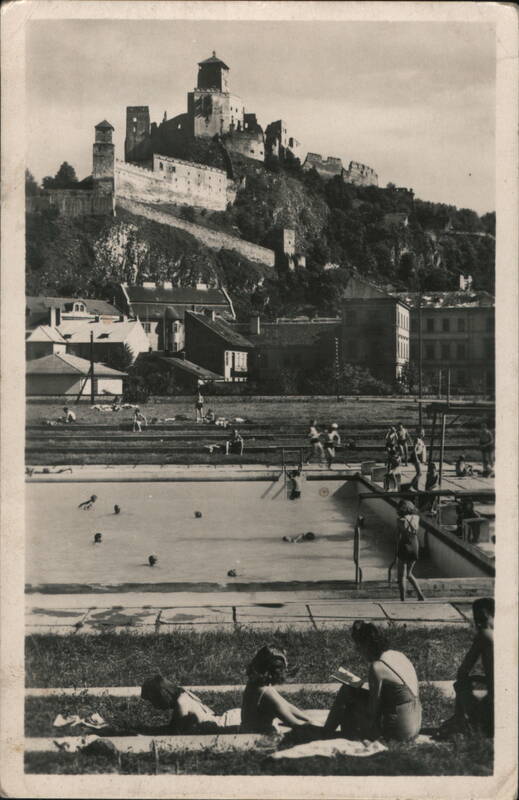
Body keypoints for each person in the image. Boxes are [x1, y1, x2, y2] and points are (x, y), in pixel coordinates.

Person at [324, 621, 422, 741]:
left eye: (358, 647)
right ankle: (329, 731)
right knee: (353, 690)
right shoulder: (398, 655)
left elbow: (373, 709)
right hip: (414, 723)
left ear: (366, 646)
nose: (358, 652)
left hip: (397, 730)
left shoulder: (377, 667)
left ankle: (326, 732)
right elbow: (393, 692)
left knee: (347, 691)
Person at [438, 598, 494, 738]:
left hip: (495, 704)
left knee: (461, 682)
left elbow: (463, 670)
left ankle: (460, 719)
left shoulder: (484, 634)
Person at [240, 645, 314, 734]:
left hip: (247, 731)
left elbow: (286, 705)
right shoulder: (266, 694)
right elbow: (296, 725)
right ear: (275, 672)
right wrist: (315, 726)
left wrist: (308, 719)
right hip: (256, 738)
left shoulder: (257, 684)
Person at [141, 674, 237, 734]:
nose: (154, 705)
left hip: (228, 723)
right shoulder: (184, 693)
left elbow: (175, 733)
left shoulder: (181, 703)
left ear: (160, 697)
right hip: (229, 717)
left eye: (152, 700)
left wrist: (146, 732)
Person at [394, 500, 425, 601]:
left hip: (404, 545)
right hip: (415, 545)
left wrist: (396, 552)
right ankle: (420, 595)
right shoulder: (416, 518)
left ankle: (403, 599)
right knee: (409, 574)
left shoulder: (400, 520)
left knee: (401, 576)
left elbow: (398, 537)